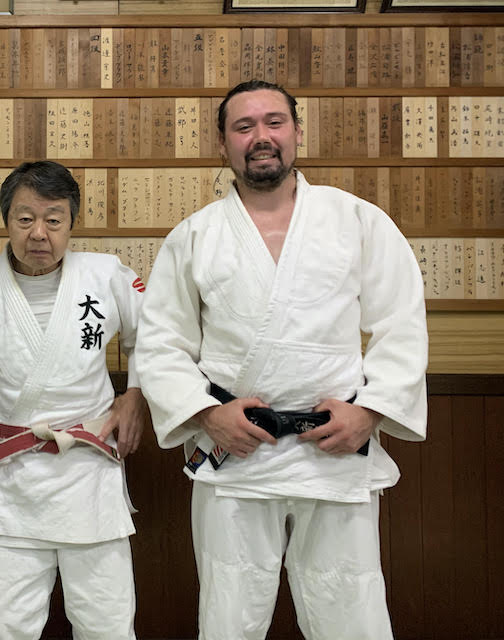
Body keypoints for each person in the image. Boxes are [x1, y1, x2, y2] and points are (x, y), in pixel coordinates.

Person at [134, 80, 428, 640]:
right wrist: (204, 415)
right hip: (237, 449)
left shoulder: (357, 221)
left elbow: (402, 325)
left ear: (297, 131)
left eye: (274, 122)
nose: (261, 137)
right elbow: (161, 344)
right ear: (222, 143)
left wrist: (370, 412)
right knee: (228, 613)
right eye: (244, 127)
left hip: (335, 445)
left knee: (353, 608)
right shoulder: (193, 237)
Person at [0, 161, 149, 640]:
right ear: (7, 221)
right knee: (4, 628)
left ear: (71, 224)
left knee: (106, 625)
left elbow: (154, 339)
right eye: (25, 219)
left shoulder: (107, 275)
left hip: (89, 467)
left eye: (53, 219)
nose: (39, 233)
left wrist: (135, 397)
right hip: (12, 474)